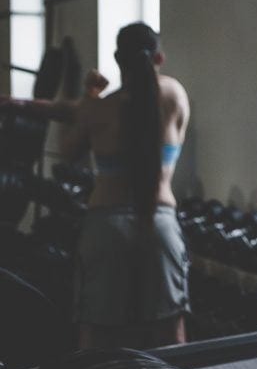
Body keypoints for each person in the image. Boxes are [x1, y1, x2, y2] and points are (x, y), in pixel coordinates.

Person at [1, 22, 191, 349]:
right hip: (159, 222)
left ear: (118, 59)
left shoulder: (99, 107)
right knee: (170, 334)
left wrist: (89, 96)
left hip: (108, 226)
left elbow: (68, 150)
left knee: (97, 334)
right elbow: (122, 110)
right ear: (159, 57)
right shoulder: (175, 95)